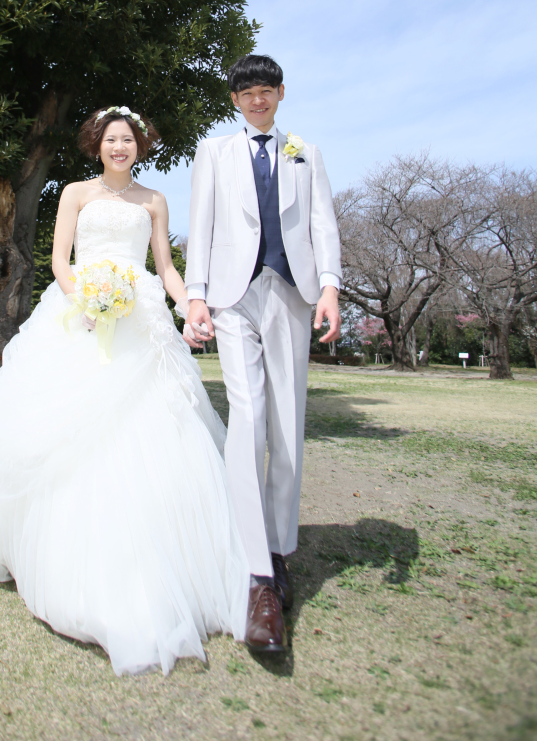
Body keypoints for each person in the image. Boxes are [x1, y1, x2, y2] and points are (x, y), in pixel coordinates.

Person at [0, 107, 249, 676]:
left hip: (139, 318)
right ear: (97, 145)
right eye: (111, 139)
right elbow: (58, 260)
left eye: (130, 140)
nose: (121, 147)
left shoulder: (154, 201)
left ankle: (154, 564)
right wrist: (86, 300)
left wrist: (187, 301)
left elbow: (165, 265)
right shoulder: (74, 192)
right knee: (60, 424)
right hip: (79, 314)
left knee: (153, 426)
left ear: (141, 146)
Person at [184, 55, 342, 653]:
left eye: (265, 91)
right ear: (235, 100)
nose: (256, 100)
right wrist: (196, 296)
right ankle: (257, 574)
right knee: (248, 419)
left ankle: (279, 551)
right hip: (230, 297)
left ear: (281, 94)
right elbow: (201, 226)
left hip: (292, 294)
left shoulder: (306, 152)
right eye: (246, 92)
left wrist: (328, 286)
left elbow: (323, 224)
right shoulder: (214, 153)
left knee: (287, 425)